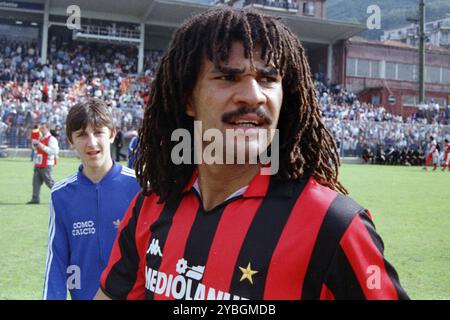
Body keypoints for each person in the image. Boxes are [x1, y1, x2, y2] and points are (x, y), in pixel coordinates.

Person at [96, 8, 408, 300]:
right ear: (188, 100)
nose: (254, 95)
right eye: (228, 77)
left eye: (267, 79)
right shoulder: (151, 206)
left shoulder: (333, 225)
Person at [43, 98, 141, 300]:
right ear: (70, 141)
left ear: (112, 134)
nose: (92, 142)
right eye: (81, 135)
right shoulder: (61, 195)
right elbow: (56, 261)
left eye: (98, 132)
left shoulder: (140, 188)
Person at [27, 121, 59, 204]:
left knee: (50, 183)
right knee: (35, 183)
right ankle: (35, 199)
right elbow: (37, 149)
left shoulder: (52, 139)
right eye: (41, 128)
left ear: (48, 128)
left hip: (46, 164)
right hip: (38, 163)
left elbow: (54, 151)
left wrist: (42, 146)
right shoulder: (41, 138)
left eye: (43, 128)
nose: (41, 130)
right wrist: (34, 146)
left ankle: (62, 195)